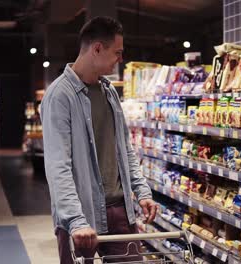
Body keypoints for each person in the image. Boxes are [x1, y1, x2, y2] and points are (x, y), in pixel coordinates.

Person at [41, 16, 157, 263]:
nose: (120, 59)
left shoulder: (109, 91)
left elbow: (124, 149)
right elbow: (57, 165)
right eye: (118, 52)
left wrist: (142, 191)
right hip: (81, 215)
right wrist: (75, 220)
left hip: (119, 210)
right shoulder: (59, 96)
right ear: (96, 48)